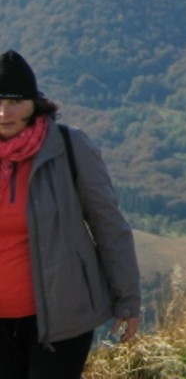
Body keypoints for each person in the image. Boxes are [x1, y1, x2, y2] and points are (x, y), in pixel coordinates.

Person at [0, 50, 141, 378]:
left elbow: (108, 224)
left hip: (62, 318)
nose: (5, 112)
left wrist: (128, 300)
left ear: (35, 103)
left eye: (16, 101)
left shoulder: (68, 146)